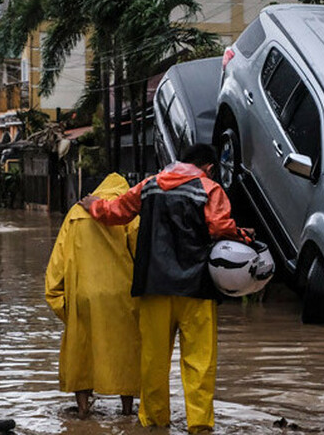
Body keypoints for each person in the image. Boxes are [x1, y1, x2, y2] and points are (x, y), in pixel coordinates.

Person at [79, 144, 253, 434]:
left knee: (153, 361)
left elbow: (116, 212)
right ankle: (199, 425)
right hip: (196, 288)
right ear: (208, 167)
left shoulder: (149, 186)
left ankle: (154, 422)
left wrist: (93, 205)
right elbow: (220, 226)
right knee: (199, 362)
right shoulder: (209, 189)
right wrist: (244, 235)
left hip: (153, 286)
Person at [46, 173, 141, 418]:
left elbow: (56, 267)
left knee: (82, 351)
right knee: (125, 352)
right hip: (122, 295)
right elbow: (141, 256)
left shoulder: (74, 214)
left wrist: (62, 304)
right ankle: (127, 410)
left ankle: (83, 410)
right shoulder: (128, 214)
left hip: (82, 295)